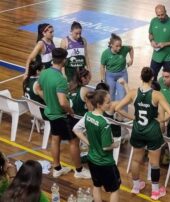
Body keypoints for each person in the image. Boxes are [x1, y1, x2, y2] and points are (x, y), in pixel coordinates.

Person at [115, 67, 170, 200]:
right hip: (152, 131)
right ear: (152, 78)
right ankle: (155, 192)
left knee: (136, 160)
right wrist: (162, 119)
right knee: (154, 163)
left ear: (141, 77)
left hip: (138, 130)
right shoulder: (156, 94)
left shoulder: (132, 93)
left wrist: (133, 118)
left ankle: (136, 186)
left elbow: (118, 108)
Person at [36, 48, 90, 179]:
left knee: (55, 140)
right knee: (73, 142)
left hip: (51, 114)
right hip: (62, 116)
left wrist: (49, 100)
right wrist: (70, 112)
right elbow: (63, 102)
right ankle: (79, 170)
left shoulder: (44, 73)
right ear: (64, 60)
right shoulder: (60, 79)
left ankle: (57, 168)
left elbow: (37, 88)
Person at [73, 90, 121, 202]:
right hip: (105, 162)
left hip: (92, 160)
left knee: (96, 185)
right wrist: (115, 144)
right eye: (108, 102)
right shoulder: (104, 123)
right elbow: (105, 147)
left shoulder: (88, 115)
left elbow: (76, 129)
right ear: (99, 105)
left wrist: (89, 142)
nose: (110, 104)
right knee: (114, 189)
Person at [149, 4, 170, 81]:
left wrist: (165, 44)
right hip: (156, 57)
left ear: (165, 12)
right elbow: (150, 34)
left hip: (169, 58)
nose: (160, 17)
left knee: (168, 80)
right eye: (158, 15)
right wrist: (152, 41)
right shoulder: (153, 21)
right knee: (151, 78)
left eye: (162, 14)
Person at [100, 33, 134, 104]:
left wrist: (131, 59)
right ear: (111, 45)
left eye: (120, 46)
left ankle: (121, 114)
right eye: (117, 46)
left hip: (122, 75)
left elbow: (131, 48)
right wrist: (102, 79)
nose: (119, 48)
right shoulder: (105, 54)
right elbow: (102, 67)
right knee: (110, 96)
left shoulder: (124, 49)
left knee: (122, 97)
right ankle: (111, 114)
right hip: (110, 76)